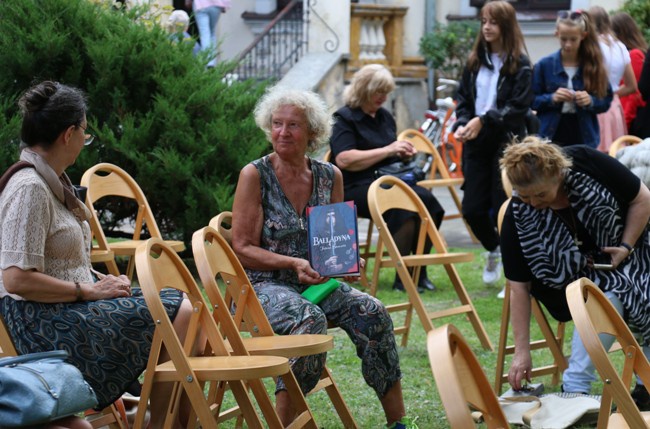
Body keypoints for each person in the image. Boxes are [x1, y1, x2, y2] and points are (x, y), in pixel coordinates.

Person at [0, 81, 194, 428]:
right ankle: (162, 424)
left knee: (183, 309)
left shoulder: (50, 181)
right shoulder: (29, 187)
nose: (83, 141)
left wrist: (100, 280)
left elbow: (61, 263)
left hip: (64, 309)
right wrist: (86, 290)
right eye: (85, 133)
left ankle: (167, 420)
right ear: (69, 133)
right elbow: (16, 278)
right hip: (41, 323)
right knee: (178, 309)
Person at [231, 85, 417, 429]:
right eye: (276, 124)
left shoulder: (330, 176)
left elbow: (334, 240)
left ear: (313, 132)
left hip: (316, 283)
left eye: (293, 125)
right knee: (309, 319)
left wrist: (346, 263)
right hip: (261, 285)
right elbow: (241, 248)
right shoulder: (254, 175)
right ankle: (285, 424)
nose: (282, 132)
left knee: (372, 311)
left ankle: (398, 423)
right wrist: (293, 263)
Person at [500, 137, 650, 409]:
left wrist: (626, 246)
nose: (533, 203)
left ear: (558, 175)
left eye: (541, 195)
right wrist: (521, 352)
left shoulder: (587, 162)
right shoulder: (518, 215)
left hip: (629, 251)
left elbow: (642, 199)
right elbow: (519, 287)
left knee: (636, 286)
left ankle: (643, 384)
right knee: (609, 295)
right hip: (565, 281)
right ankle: (576, 387)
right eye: (525, 196)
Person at [329, 63, 444, 292]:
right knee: (402, 208)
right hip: (354, 186)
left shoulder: (384, 117)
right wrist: (389, 150)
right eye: (378, 91)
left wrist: (402, 152)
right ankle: (403, 277)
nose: (383, 97)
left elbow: (389, 153)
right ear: (363, 89)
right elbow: (344, 160)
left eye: (386, 92)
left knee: (431, 204)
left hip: (386, 181)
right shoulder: (344, 118)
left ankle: (418, 272)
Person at [451, 0, 534, 291]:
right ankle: (494, 250)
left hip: (506, 143)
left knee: (504, 208)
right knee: (472, 209)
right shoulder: (475, 61)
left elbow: (518, 108)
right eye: (484, 21)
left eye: (493, 22)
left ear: (506, 26)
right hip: (476, 141)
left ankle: (514, 279)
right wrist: (463, 122)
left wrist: (483, 120)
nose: (487, 27)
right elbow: (462, 98)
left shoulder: (520, 63)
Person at [532, 10, 612, 149]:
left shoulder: (593, 65)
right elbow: (531, 100)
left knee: (581, 169)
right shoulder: (544, 65)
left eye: (573, 39)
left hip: (583, 132)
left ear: (583, 36)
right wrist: (553, 98)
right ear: (556, 34)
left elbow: (605, 100)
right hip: (551, 133)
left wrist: (590, 101)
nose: (568, 44)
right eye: (564, 39)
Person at [588, 6, 637, 153]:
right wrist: (613, 93)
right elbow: (631, 86)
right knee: (615, 154)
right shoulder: (620, 46)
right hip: (614, 107)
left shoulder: (591, 47)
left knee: (594, 155)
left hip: (593, 104)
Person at [611, 12, 647, 132]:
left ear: (620, 34)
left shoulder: (634, 55)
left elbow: (633, 95)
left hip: (632, 122)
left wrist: (624, 124)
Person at [185, 0, 231, 68]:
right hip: (216, 5)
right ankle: (211, 62)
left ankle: (206, 62)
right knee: (212, 33)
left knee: (204, 34)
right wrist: (224, 4)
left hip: (201, 4)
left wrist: (188, 1)